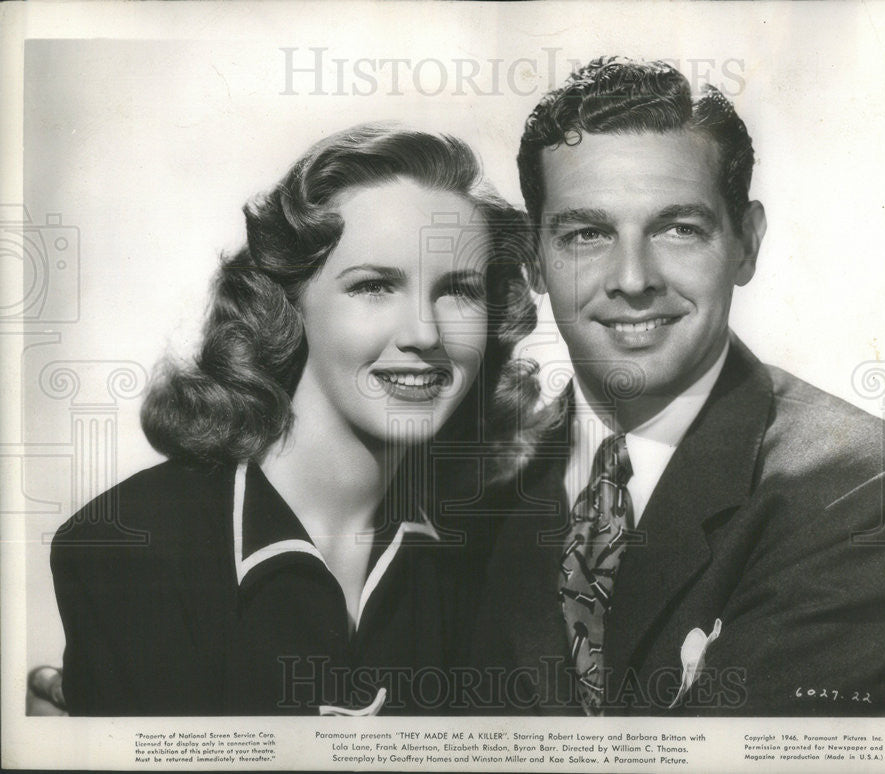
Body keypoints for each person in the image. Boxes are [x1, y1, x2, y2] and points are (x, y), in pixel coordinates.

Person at [467, 57, 885, 716]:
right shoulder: (473, 483)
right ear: (536, 259)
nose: (633, 278)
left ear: (746, 244)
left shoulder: (868, 490)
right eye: (587, 233)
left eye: (678, 229)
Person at [48, 123, 545, 716]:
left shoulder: (482, 558)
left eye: (458, 290)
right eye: (375, 286)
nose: (424, 334)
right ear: (286, 305)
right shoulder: (129, 545)